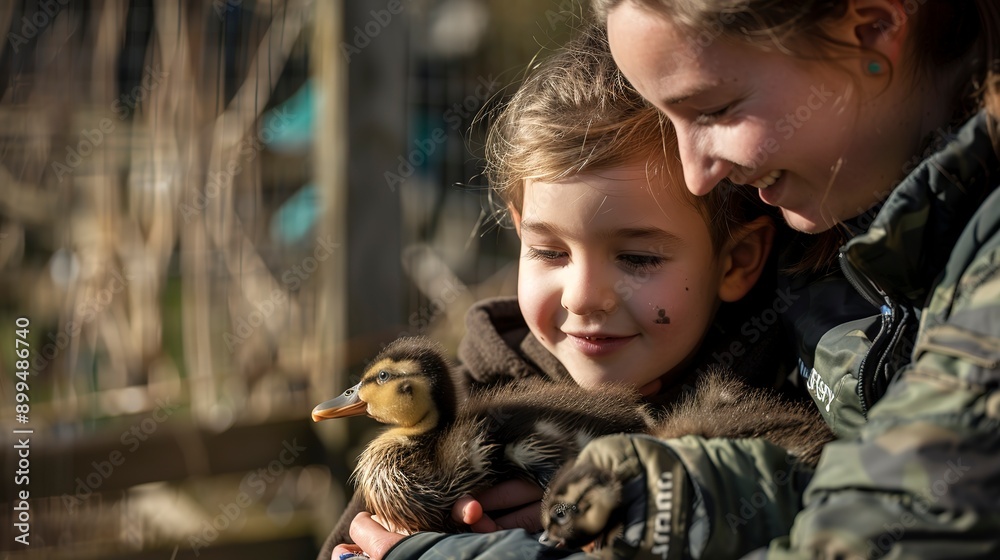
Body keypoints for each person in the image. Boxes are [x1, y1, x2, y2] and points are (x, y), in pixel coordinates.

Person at [321, 23, 826, 560]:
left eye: (637, 258)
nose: (582, 298)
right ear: (517, 231)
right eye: (549, 252)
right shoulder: (453, 419)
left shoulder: (782, 409)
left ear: (737, 262)